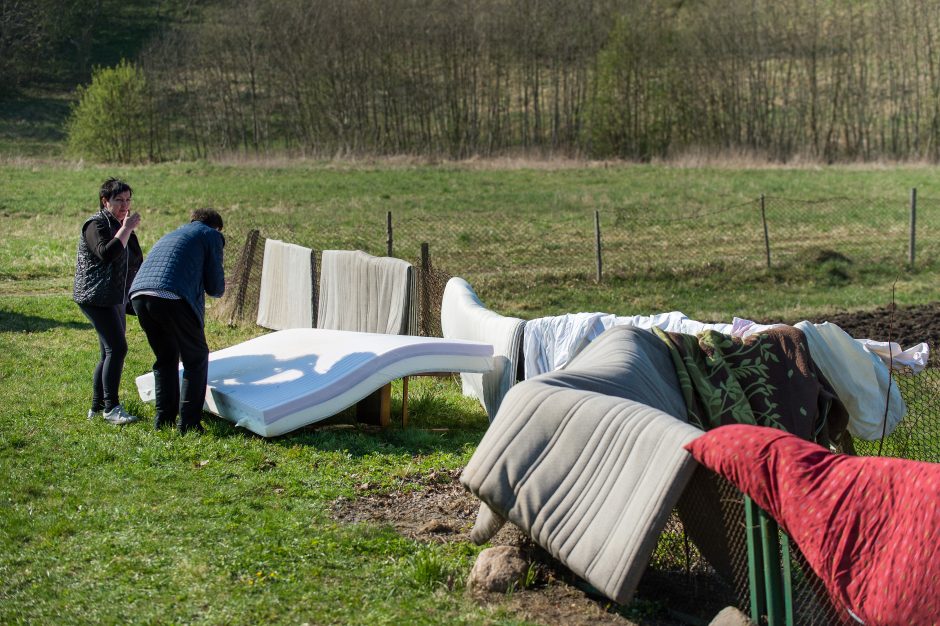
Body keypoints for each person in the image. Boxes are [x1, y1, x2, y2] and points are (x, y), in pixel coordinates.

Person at [130, 208, 225, 434]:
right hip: (171, 295)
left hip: (139, 294)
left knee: (165, 358)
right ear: (217, 227)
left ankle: (163, 420)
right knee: (196, 358)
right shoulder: (211, 235)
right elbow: (215, 286)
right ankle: (189, 424)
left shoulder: (174, 233)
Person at [73, 177, 144, 425]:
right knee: (118, 348)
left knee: (108, 351)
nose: (125, 205)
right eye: (118, 200)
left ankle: (97, 406)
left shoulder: (120, 223)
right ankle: (111, 408)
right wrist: (127, 228)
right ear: (105, 201)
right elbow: (107, 253)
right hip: (94, 296)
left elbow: (135, 260)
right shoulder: (96, 224)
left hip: (115, 297)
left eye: (127, 200)